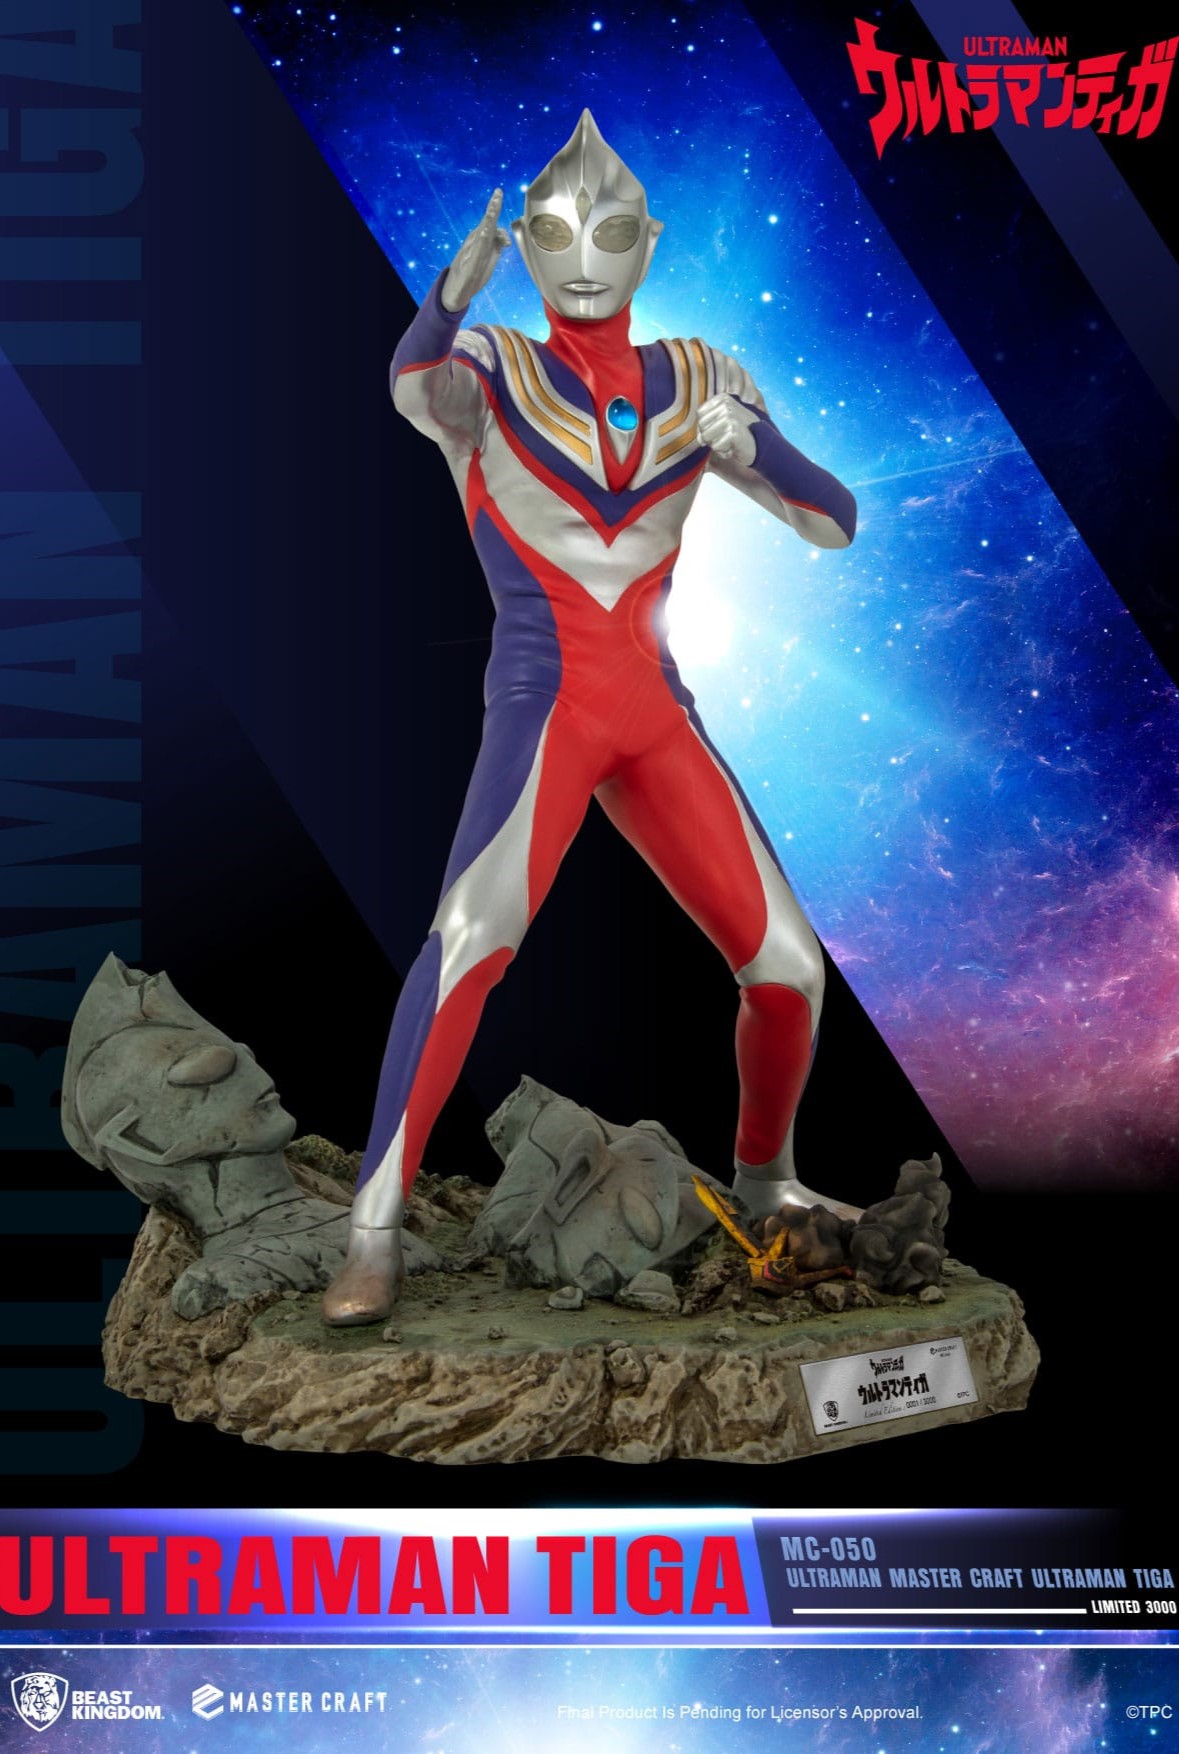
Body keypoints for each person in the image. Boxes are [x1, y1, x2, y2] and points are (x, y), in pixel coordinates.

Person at [323, 112, 857, 1324]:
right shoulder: (492, 367)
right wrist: (451, 293)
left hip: (656, 712)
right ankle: (373, 1226)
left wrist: (760, 448)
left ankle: (767, 1181)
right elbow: (409, 387)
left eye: (611, 233)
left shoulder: (704, 378)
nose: (582, 257)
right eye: (555, 233)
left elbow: (833, 522)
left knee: (788, 969)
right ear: (526, 245)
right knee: (469, 938)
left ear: (648, 244)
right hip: (547, 703)